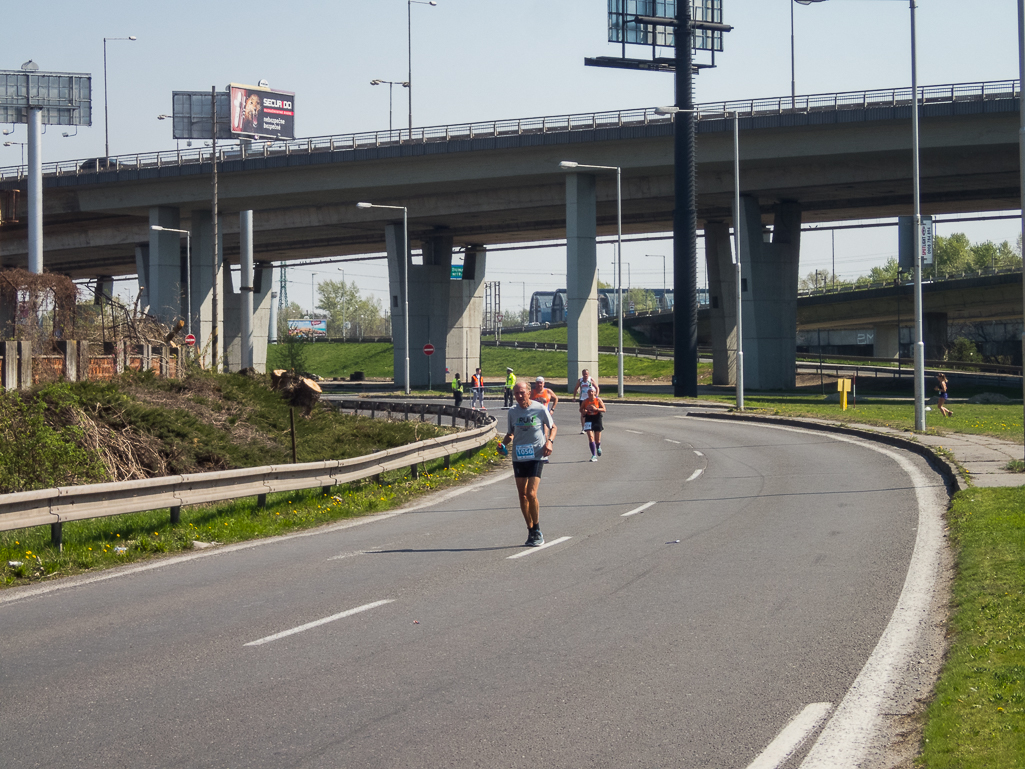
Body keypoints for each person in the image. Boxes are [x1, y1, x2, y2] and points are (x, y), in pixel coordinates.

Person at [498, 381, 556, 546]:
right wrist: (502, 445)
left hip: (537, 455)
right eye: (516, 393)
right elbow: (510, 434)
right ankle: (530, 530)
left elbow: (553, 427)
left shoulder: (539, 408)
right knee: (522, 495)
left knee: (531, 493)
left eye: (522, 392)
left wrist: (549, 442)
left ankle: (537, 528)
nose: (519, 396)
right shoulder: (513, 412)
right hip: (519, 456)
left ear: (529, 392)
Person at [580, 388, 607, 462]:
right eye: (589, 392)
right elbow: (581, 409)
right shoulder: (585, 401)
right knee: (590, 437)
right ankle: (593, 455)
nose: (591, 393)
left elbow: (604, 409)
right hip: (588, 418)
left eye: (592, 391)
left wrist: (596, 409)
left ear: (595, 393)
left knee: (597, 439)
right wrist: (584, 411)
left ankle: (598, 446)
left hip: (597, 418)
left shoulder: (598, 400)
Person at [572, 368, 596, 433]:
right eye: (584, 374)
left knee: (591, 412)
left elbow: (597, 387)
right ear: (582, 374)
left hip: (590, 399)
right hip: (582, 399)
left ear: (588, 374)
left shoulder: (591, 380)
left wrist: (596, 396)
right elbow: (576, 388)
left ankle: (591, 426)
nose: (585, 375)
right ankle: (583, 428)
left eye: (586, 374)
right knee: (583, 413)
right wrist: (574, 397)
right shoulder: (580, 380)